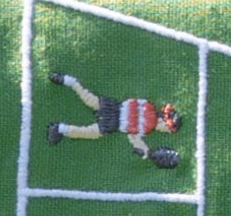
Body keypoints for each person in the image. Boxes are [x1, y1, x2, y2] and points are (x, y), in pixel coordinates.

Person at [52, 72, 184, 167]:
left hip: (114, 116)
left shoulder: (147, 112)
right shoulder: (148, 116)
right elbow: (134, 134)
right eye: (166, 129)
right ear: (165, 121)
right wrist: (146, 152)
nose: (164, 130)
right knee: (89, 105)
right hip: (115, 114)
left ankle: (60, 127)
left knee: (89, 128)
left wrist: (145, 152)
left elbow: (134, 137)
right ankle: (69, 84)